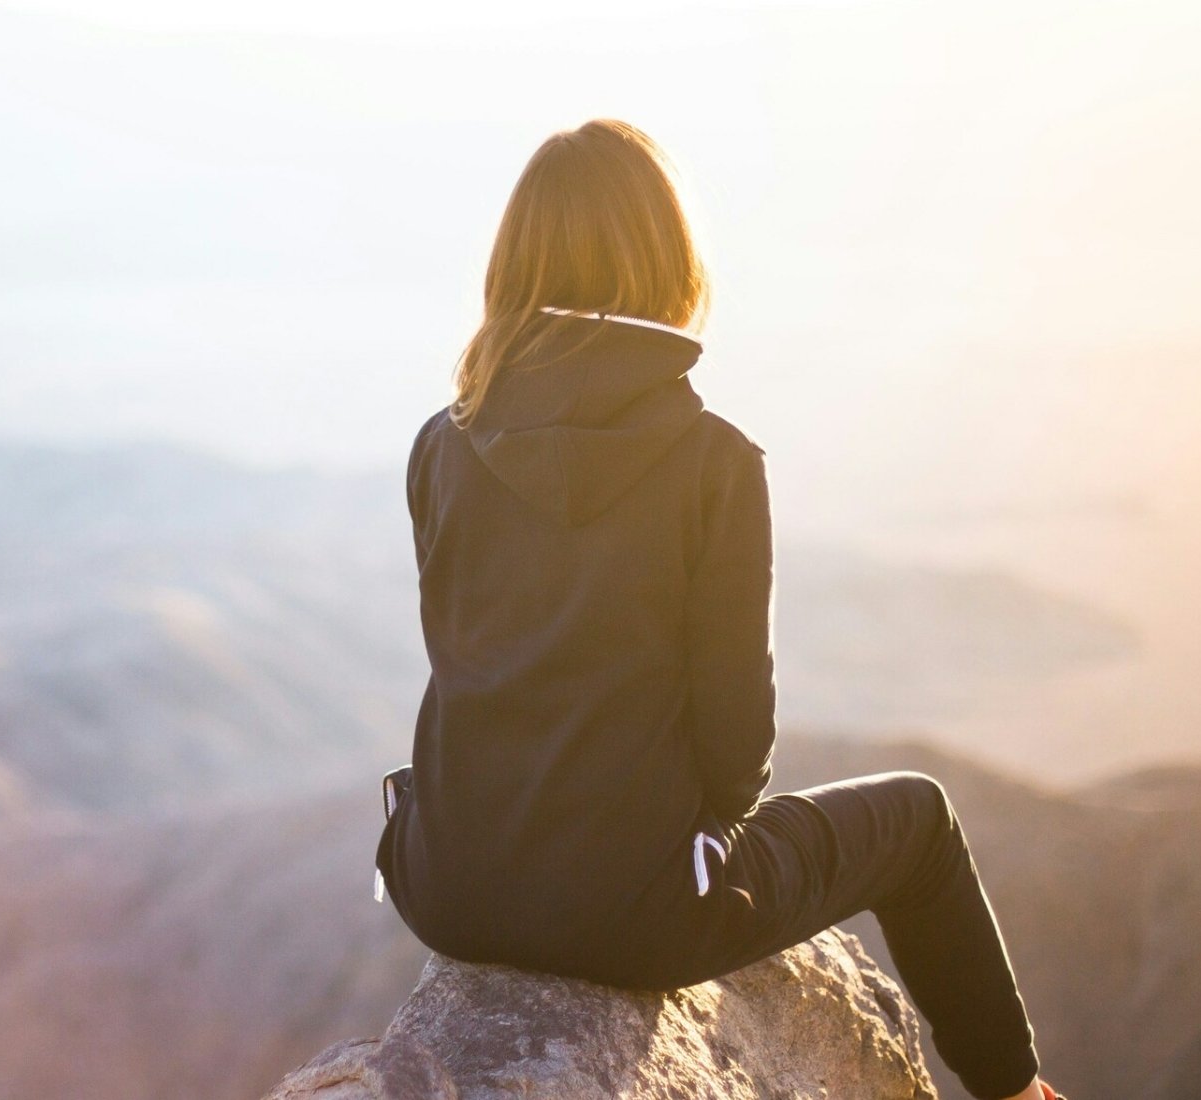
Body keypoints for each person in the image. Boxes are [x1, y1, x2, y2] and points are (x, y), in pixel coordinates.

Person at [374, 118, 1059, 1100]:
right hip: (640, 917)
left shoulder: (441, 443)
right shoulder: (712, 462)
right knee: (919, 814)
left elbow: (473, 658)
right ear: (667, 258)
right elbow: (738, 747)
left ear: (513, 265)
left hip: (443, 887)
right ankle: (1014, 1088)